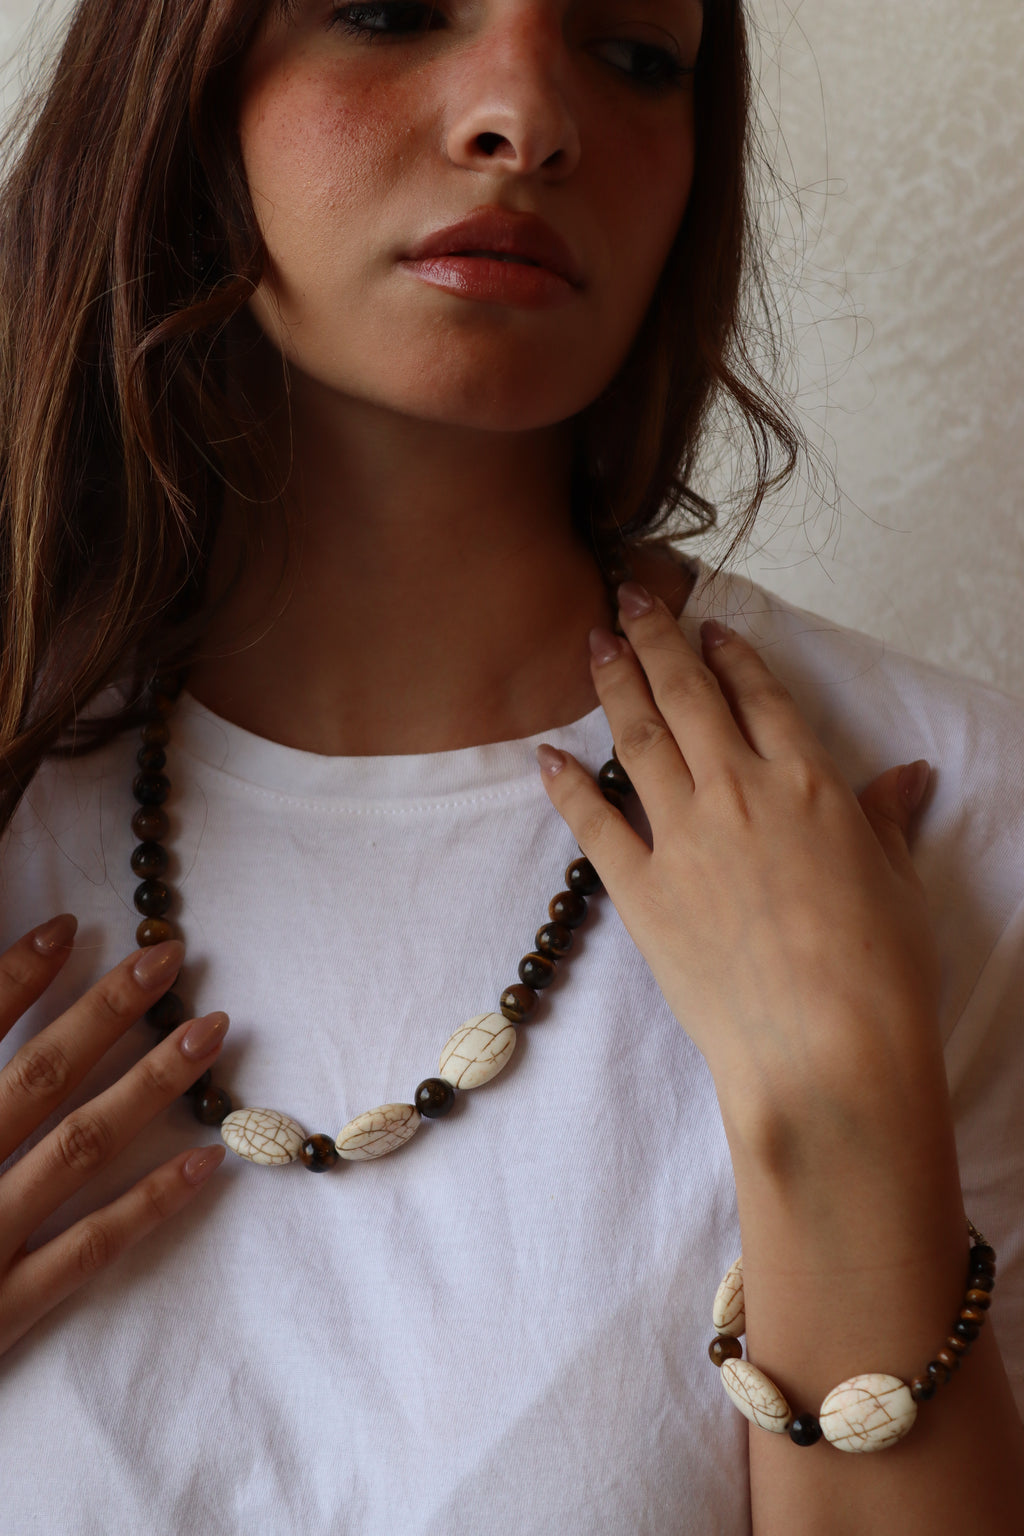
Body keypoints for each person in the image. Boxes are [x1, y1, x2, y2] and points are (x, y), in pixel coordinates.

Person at [0, 0, 1021, 1528]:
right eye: (391, 11)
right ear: (176, 73)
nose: (525, 120)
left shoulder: (933, 807)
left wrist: (843, 1119)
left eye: (631, 56)